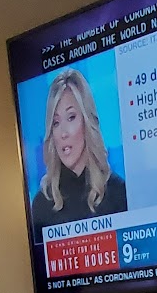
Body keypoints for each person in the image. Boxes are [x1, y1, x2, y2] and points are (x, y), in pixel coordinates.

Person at [30, 68, 127, 228]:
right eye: (56, 122)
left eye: (71, 117)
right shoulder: (42, 204)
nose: (63, 133)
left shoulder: (117, 192)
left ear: (86, 121)